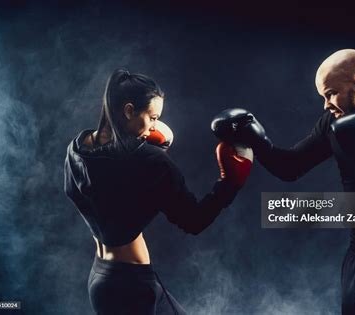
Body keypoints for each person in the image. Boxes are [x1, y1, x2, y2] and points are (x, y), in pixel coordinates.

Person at [211, 49, 355, 315]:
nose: (326, 105)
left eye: (330, 93)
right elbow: (290, 168)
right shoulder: (334, 122)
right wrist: (255, 138)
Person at [64, 68, 253, 315]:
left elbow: (110, 192)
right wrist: (230, 183)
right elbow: (195, 220)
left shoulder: (77, 148)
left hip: (101, 278)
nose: (154, 127)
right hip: (133, 288)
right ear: (129, 110)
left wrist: (142, 149)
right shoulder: (149, 161)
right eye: (152, 117)